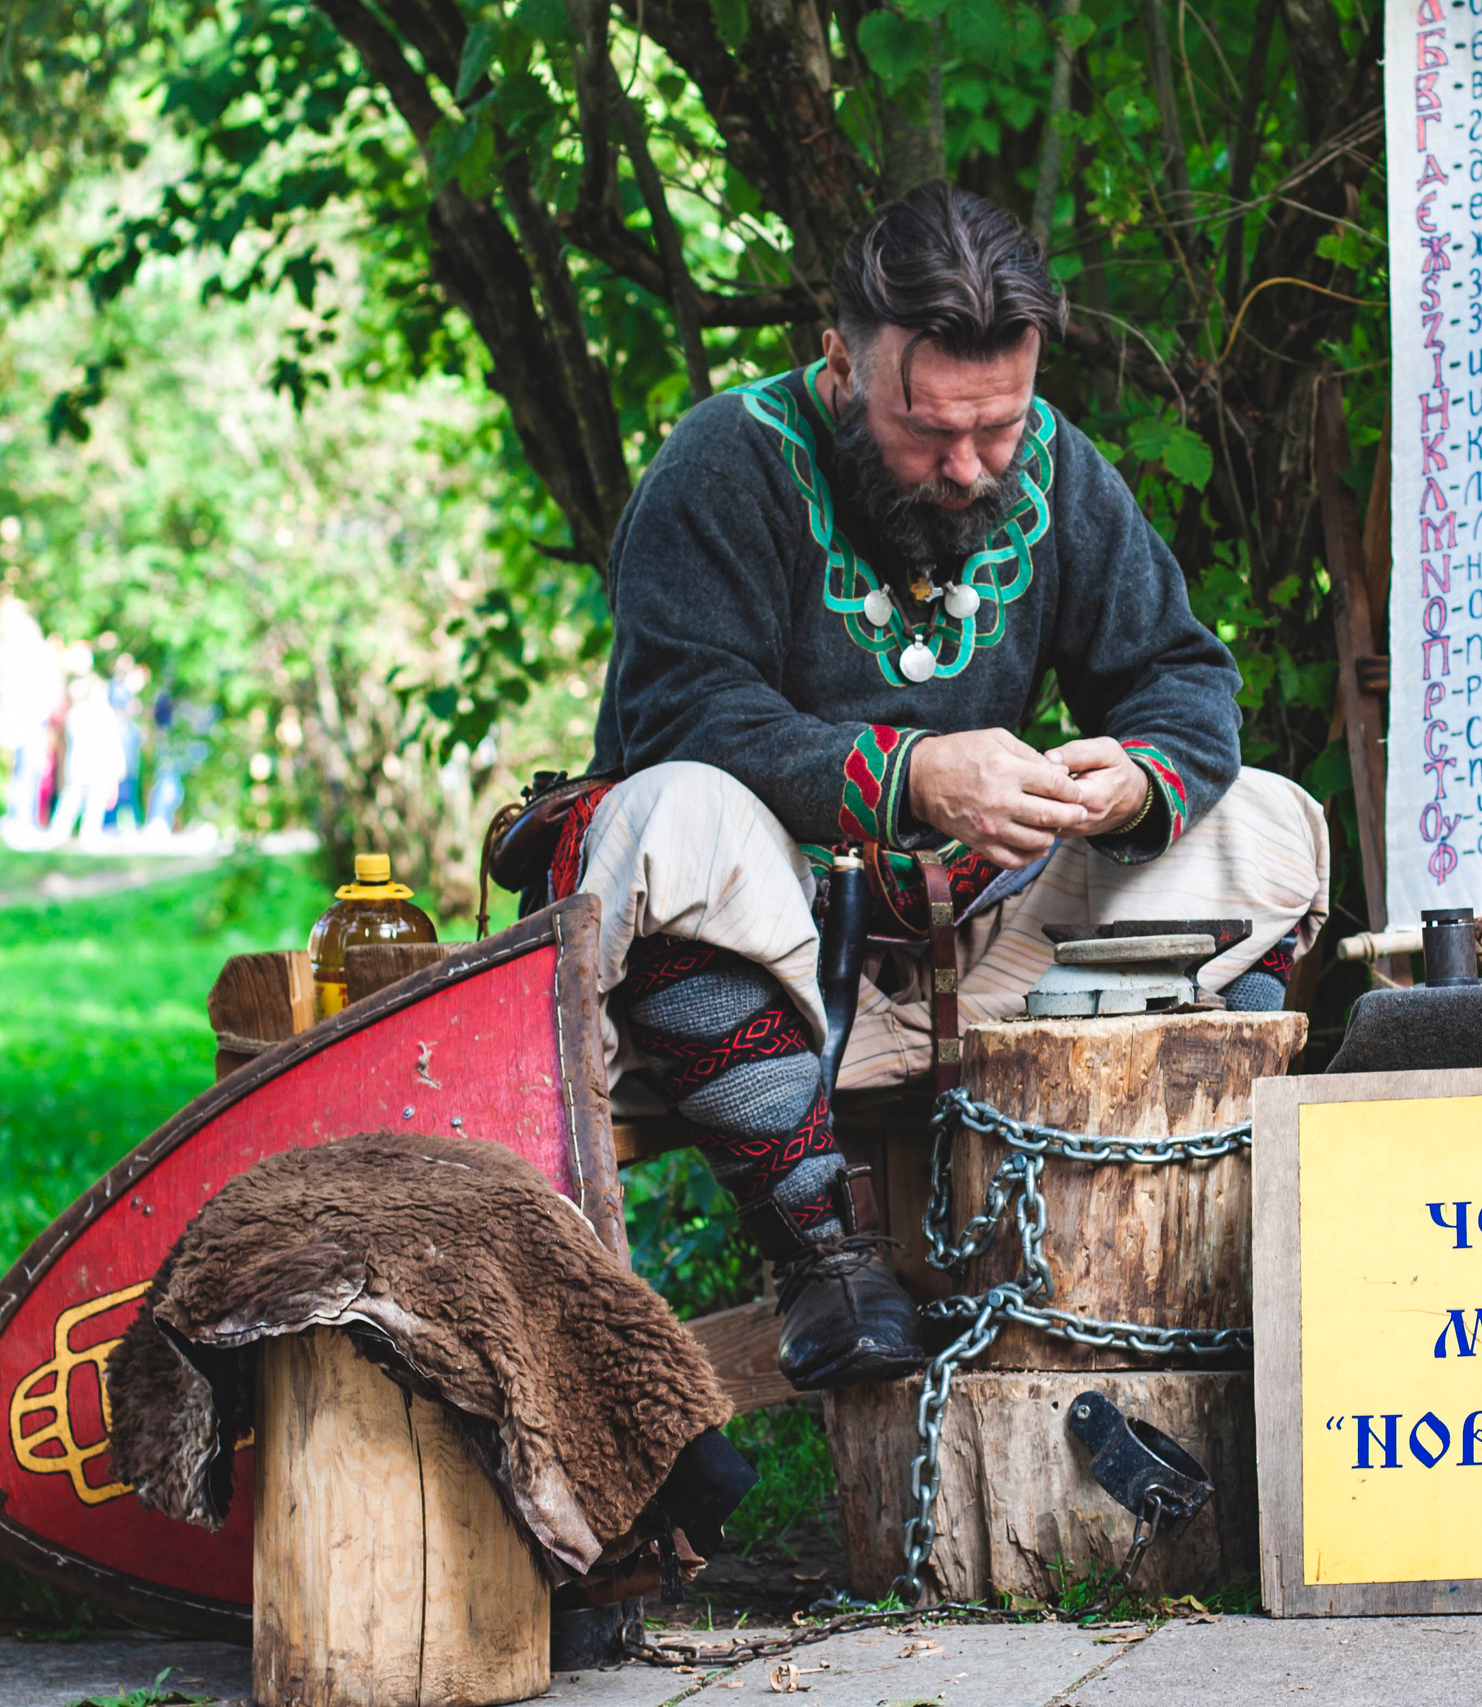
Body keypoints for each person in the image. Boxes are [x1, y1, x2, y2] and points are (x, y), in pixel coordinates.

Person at [557, 183, 1330, 1391]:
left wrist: (1133, 784)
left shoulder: (1055, 468)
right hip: (765, 972)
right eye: (926, 433)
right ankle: (823, 1251)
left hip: (988, 967)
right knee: (672, 813)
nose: (969, 468)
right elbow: (681, 715)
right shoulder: (724, 461)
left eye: (999, 426)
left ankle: (1151, 1210)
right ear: (840, 364)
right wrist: (913, 774)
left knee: (1265, 820)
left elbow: (1183, 679)